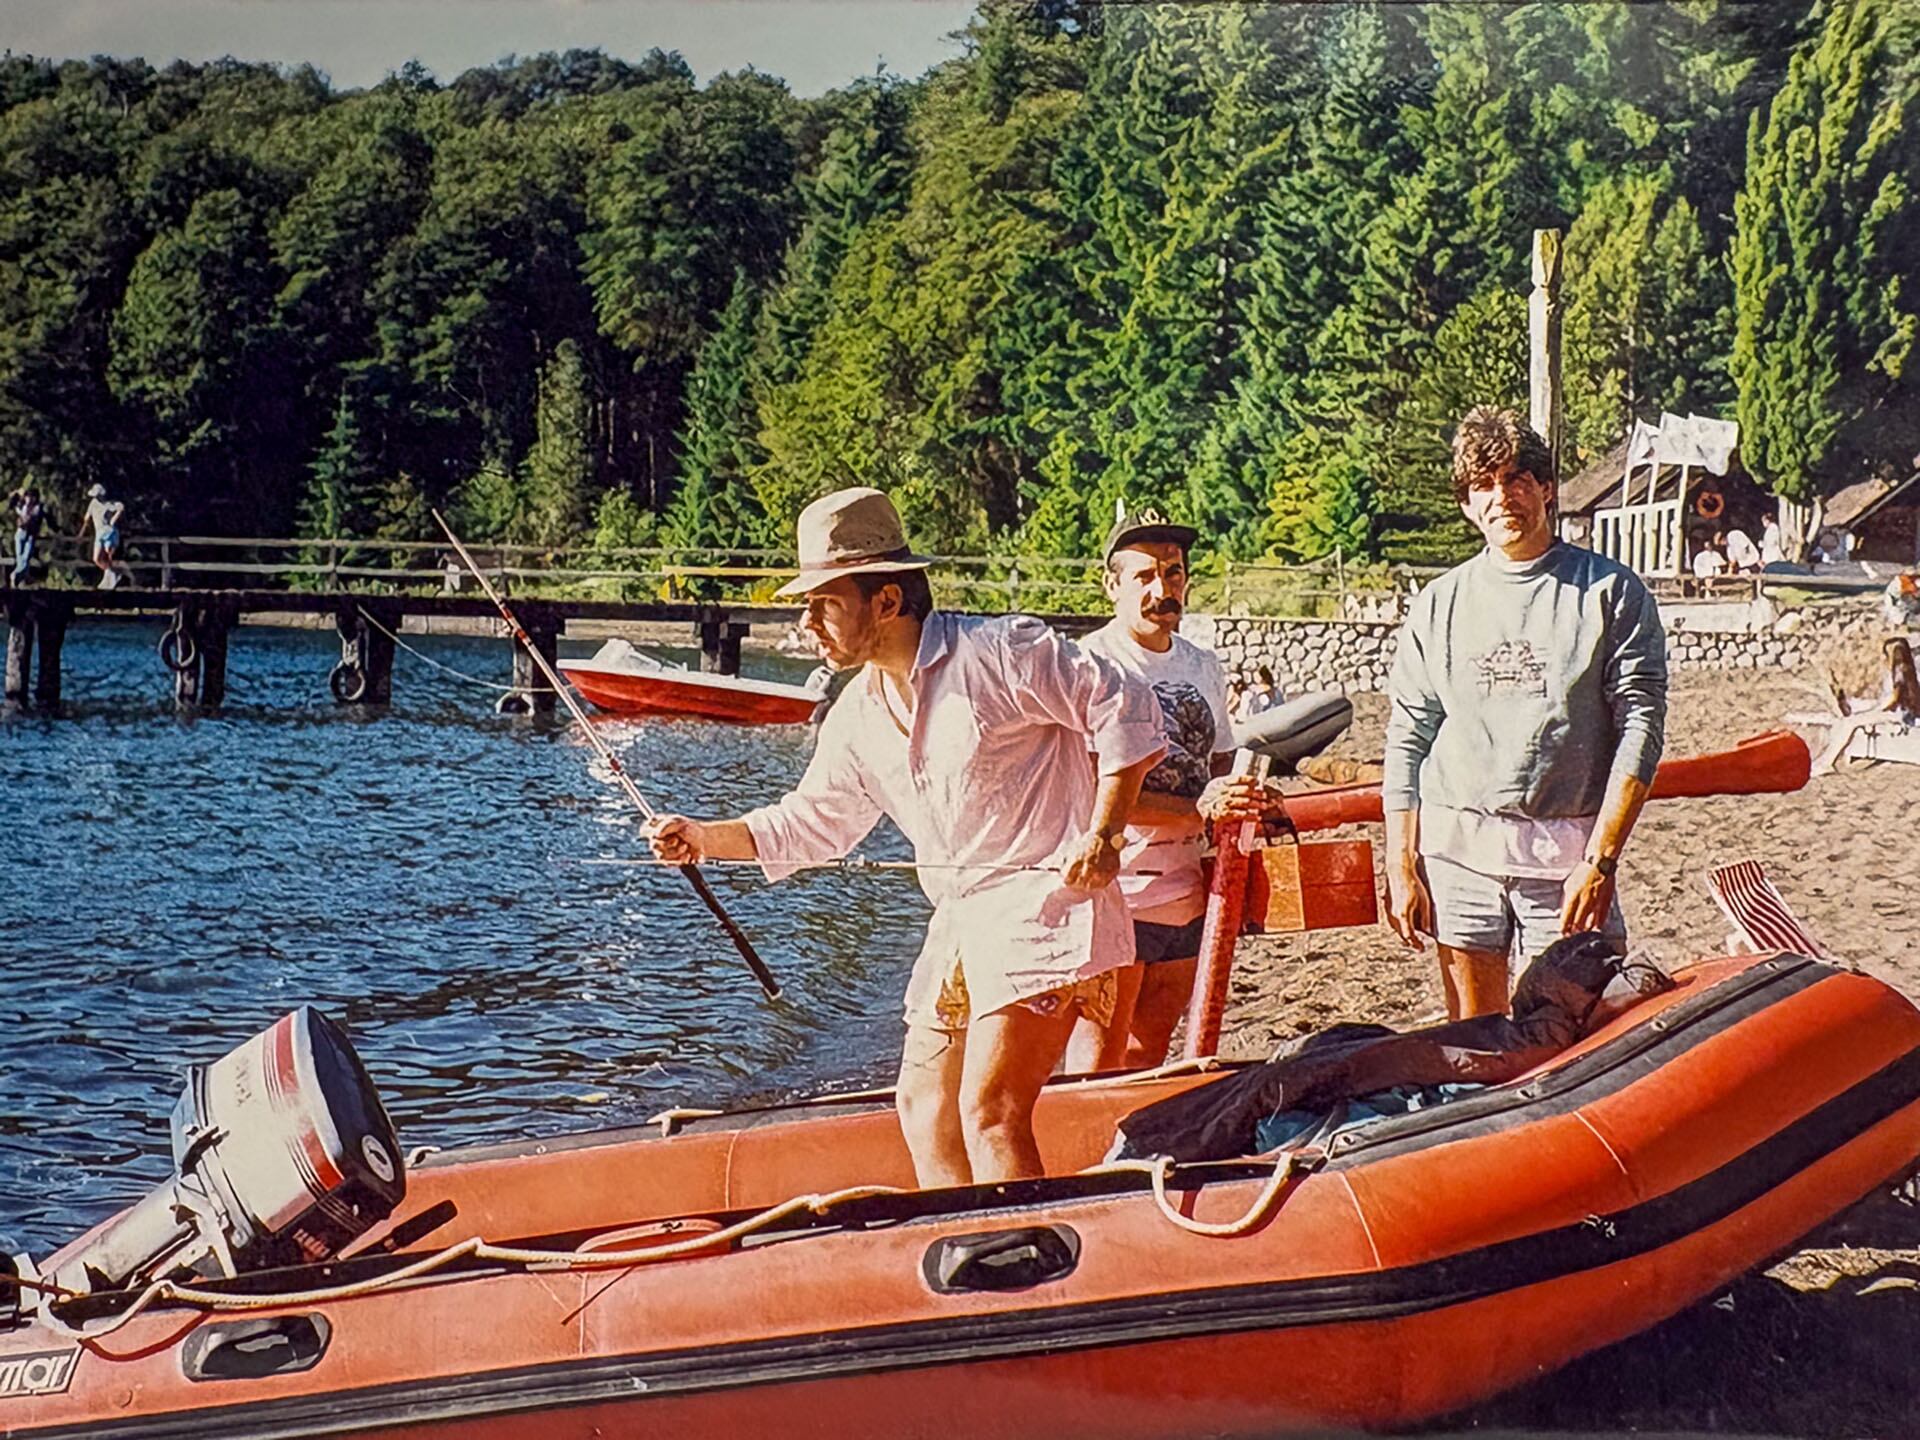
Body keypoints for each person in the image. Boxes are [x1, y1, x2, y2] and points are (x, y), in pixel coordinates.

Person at [646, 487, 1165, 1188]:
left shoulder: (999, 651)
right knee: (922, 1108)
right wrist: (703, 838)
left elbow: (1125, 703)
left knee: (991, 1111)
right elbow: (811, 823)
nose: (805, 623)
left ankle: (1028, 1264)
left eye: (822, 602)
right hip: (960, 924)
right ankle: (970, 1255)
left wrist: (1105, 835)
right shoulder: (857, 710)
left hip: (1048, 915)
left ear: (886, 601)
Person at [1383, 406, 1667, 1020]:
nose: (1502, 497)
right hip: (1457, 856)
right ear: (1466, 503)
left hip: (1566, 862)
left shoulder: (1609, 592)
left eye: (1516, 479)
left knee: (1574, 1035)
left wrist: (1601, 861)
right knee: (1474, 1040)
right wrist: (1400, 863)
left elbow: (1640, 731)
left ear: (1544, 488)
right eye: (1484, 485)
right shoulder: (1440, 603)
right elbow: (1409, 734)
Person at [1069, 509, 1280, 1070]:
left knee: (1153, 1044)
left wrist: (1251, 794)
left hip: (1190, 889)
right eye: (1144, 576)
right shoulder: (1088, 663)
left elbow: (1220, 760)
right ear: (1111, 584)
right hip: (1113, 891)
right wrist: (1202, 809)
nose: (1162, 589)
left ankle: (1131, 1154)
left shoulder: (1203, 666)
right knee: (1097, 1055)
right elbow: (1094, 792)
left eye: (1174, 573)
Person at [79, 483, 127, 590]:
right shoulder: (93, 504)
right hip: (99, 533)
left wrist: (114, 518)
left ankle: (110, 577)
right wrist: (83, 530)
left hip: (108, 531)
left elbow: (120, 507)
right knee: (96, 558)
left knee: (108, 552)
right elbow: (87, 517)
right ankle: (110, 573)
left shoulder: (108, 504)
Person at [9, 482, 43, 588]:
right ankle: (20, 579)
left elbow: (30, 519)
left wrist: (23, 518)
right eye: (28, 496)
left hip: (30, 535)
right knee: (20, 558)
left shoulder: (36, 508)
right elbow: (11, 501)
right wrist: (18, 493)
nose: (29, 498)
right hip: (21, 533)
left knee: (25, 557)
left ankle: (15, 575)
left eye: (31, 496)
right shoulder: (22, 505)